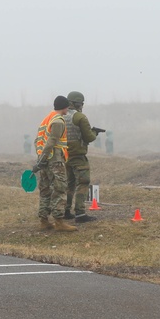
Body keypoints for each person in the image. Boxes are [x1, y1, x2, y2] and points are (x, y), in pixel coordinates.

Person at [32, 96, 77, 232]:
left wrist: (40, 159)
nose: (68, 109)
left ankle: (44, 221)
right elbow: (52, 141)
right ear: (65, 107)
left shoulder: (46, 119)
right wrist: (44, 157)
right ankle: (59, 221)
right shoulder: (58, 121)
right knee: (60, 188)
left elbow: (37, 141)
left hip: (44, 160)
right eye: (67, 107)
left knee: (45, 190)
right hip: (54, 159)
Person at [62, 91, 102, 223]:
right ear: (78, 103)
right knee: (83, 182)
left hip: (65, 155)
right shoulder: (80, 117)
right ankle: (80, 213)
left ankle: (66, 211)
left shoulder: (61, 116)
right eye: (81, 103)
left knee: (70, 183)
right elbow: (89, 137)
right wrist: (95, 132)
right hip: (78, 156)